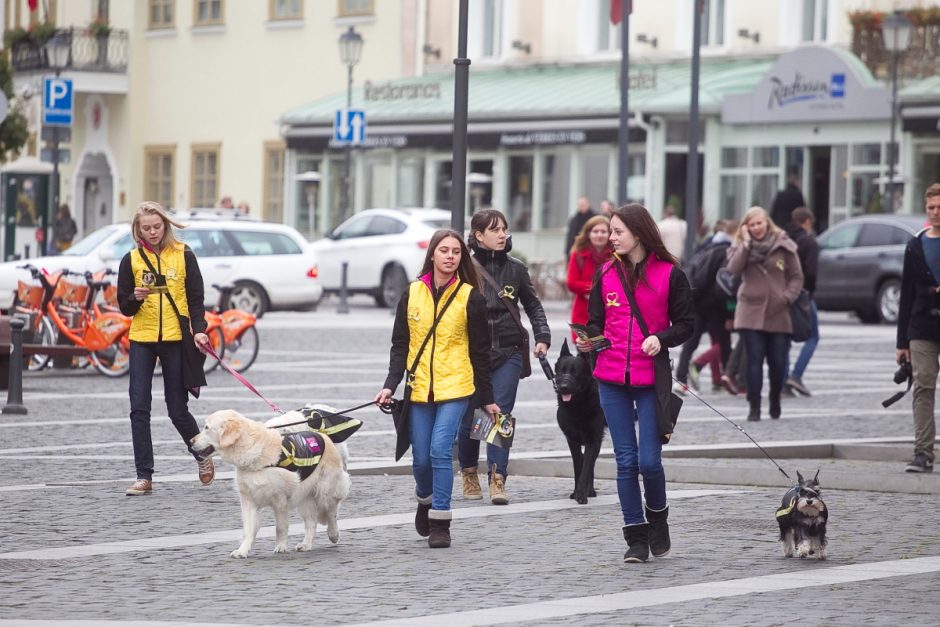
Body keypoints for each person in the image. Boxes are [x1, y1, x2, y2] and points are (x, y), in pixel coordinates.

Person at [578, 203, 694, 564]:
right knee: (625, 462)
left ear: (639, 233)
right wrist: (590, 341)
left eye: (617, 232)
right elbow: (595, 321)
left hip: (649, 380)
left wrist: (661, 338)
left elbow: (687, 323)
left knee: (649, 462)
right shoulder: (606, 272)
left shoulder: (670, 274)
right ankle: (635, 536)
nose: (610, 238)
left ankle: (658, 518)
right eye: (610, 231)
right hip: (611, 377)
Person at [375, 229, 498, 548]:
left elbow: (480, 353)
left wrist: (487, 399)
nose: (450, 256)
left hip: (456, 385)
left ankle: (441, 520)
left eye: (456, 252)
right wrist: (391, 385)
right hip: (419, 388)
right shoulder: (412, 292)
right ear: (432, 254)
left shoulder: (471, 297)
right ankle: (425, 499)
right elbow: (400, 344)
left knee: (440, 450)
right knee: (421, 460)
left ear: (461, 258)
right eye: (444, 250)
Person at [117, 201, 213, 496]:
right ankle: (143, 475)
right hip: (142, 338)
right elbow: (124, 307)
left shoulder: (184, 255)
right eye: (146, 228)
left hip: (175, 338)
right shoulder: (131, 260)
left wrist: (199, 331)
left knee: (177, 410)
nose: (152, 232)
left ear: (165, 225)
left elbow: (196, 298)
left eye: (157, 226)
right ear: (138, 230)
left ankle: (202, 452)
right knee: (138, 408)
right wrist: (135, 296)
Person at [457, 209, 551, 505]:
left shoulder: (516, 269)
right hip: (472, 354)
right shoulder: (464, 268)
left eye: (504, 229)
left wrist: (542, 337)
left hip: (509, 350)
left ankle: (498, 478)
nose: (502, 235)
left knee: (500, 413)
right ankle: (469, 471)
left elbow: (533, 306)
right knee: (470, 415)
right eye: (495, 230)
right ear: (478, 236)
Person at [726, 206, 803, 421]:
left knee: (778, 363)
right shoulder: (740, 246)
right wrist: (746, 243)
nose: (757, 228)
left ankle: (775, 399)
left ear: (767, 223)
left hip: (778, 312)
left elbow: (797, 276)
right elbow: (733, 269)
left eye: (759, 223)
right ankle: (754, 406)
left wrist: (787, 296)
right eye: (752, 225)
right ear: (746, 227)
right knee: (753, 361)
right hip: (750, 311)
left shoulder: (784, 244)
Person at [896, 183, 940, 473]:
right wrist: (901, 343)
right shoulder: (915, 244)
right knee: (923, 387)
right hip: (921, 325)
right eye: (931, 208)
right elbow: (905, 294)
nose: (936, 213)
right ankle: (923, 452)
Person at [674, 220, 735, 393]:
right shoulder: (726, 251)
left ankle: (682, 379)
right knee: (724, 341)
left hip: (697, 302)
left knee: (691, 343)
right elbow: (727, 284)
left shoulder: (706, 246)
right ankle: (728, 377)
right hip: (716, 305)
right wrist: (730, 312)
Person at [785, 207, 820, 397]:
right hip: (803, 293)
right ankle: (796, 375)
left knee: (785, 338)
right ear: (807, 221)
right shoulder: (809, 242)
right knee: (813, 336)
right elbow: (812, 272)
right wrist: (809, 293)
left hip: (784, 293)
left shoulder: (783, 238)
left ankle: (783, 382)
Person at [566, 215, 612, 341]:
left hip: (610, 312)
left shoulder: (616, 255)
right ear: (588, 233)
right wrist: (595, 289)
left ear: (610, 234)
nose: (599, 235)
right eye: (595, 231)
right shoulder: (578, 254)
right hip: (583, 313)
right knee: (584, 353)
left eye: (603, 231)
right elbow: (571, 283)